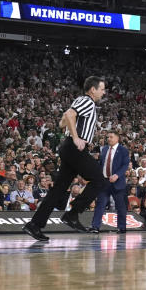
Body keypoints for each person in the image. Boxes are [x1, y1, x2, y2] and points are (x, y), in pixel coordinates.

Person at [23, 76, 108, 241]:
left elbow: (63, 122)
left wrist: (72, 132)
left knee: (59, 189)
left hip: (69, 147)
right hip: (75, 147)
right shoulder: (87, 101)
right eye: (102, 89)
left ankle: (34, 225)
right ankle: (73, 214)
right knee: (99, 180)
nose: (103, 92)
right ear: (93, 89)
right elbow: (69, 114)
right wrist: (76, 137)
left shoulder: (83, 102)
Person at [90, 131, 130, 234]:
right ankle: (95, 227)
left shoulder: (123, 150)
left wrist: (117, 175)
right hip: (105, 181)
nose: (108, 139)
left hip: (117, 182)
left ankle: (121, 227)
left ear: (117, 138)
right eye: (107, 137)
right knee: (100, 204)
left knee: (120, 205)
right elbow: (102, 164)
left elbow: (125, 165)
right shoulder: (104, 149)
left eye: (111, 137)